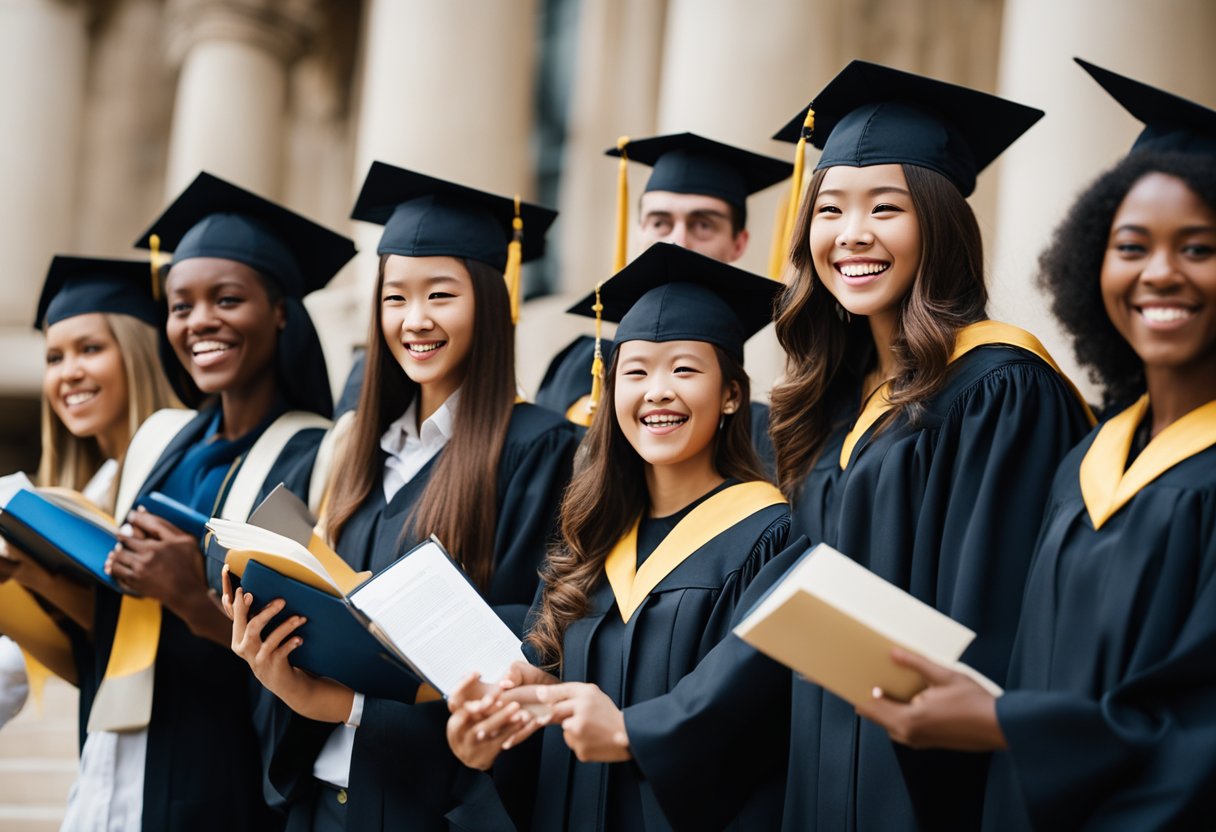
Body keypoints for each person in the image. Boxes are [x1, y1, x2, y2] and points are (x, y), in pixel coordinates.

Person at [855, 59, 1216, 831]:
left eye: (1198, 248)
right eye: (1131, 245)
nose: (1160, 273)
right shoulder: (1091, 463)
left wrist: (1004, 725)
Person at [225, 161, 579, 831]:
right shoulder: (362, 452)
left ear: (489, 300)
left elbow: (530, 638)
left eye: (440, 295)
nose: (414, 320)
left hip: (430, 807)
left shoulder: (541, 449)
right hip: (321, 799)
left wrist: (348, 704)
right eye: (395, 298)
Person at [444, 243, 791, 831]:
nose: (656, 390)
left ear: (732, 394)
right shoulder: (592, 537)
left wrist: (632, 734)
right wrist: (497, 730)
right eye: (636, 371)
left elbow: (746, 722)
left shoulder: (769, 538)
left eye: (684, 368)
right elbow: (544, 701)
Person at [66, 171, 355, 832]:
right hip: (122, 741)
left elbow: (312, 650)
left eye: (227, 299)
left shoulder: (317, 456)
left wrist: (190, 596)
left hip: (230, 768)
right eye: (180, 305)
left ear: (281, 310)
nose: (199, 322)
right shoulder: (161, 440)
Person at [532, 133, 790, 469]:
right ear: (640, 232)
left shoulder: (764, 423)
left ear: (739, 243)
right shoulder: (579, 370)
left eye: (702, 224)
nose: (677, 240)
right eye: (660, 222)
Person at [0, 255, 180, 732]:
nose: (69, 373)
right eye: (55, 358)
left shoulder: (179, 480)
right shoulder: (86, 489)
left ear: (139, 353)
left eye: (91, 349)